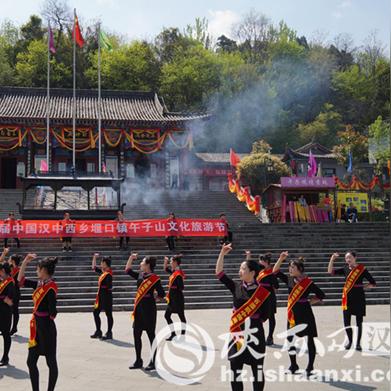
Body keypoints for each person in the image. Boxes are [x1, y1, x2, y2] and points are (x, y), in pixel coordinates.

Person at [216, 243, 271, 391]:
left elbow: (266, 315)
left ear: (253, 272)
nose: (240, 271)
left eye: (243, 269)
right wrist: (222, 254)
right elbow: (220, 273)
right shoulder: (236, 287)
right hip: (237, 335)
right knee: (235, 371)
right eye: (240, 268)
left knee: (257, 371)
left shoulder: (263, 292)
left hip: (255, 334)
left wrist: (251, 320)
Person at [273, 252, 325, 377]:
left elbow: (321, 295)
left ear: (300, 269)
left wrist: (309, 301)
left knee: (309, 340)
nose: (290, 269)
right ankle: (293, 365)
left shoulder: (308, 282)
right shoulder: (290, 280)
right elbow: (275, 271)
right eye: (289, 267)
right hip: (292, 314)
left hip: (305, 313)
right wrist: (281, 259)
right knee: (290, 340)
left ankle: (310, 366)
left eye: (293, 267)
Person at [18, 253, 59, 391]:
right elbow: (20, 280)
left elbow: (53, 312)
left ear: (44, 270)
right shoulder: (39, 284)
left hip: (46, 328)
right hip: (36, 328)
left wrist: (46, 314)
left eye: (37, 268)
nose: (36, 271)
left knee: (51, 362)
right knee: (31, 362)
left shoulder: (51, 288)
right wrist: (25, 262)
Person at [328, 251, 376, 350]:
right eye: (346, 258)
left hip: (359, 298)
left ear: (355, 258)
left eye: (350, 257)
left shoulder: (362, 269)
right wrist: (332, 259)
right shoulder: (345, 269)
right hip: (347, 298)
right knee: (346, 322)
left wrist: (362, 287)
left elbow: (373, 283)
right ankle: (350, 342)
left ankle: (358, 343)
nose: (348, 260)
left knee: (359, 321)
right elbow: (330, 271)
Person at [125, 253, 165, 371]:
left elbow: (162, 294)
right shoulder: (140, 275)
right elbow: (127, 270)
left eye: (142, 262)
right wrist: (130, 258)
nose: (141, 264)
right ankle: (138, 360)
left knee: (151, 335)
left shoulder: (155, 279)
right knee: (136, 335)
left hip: (149, 310)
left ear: (147, 265)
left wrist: (154, 296)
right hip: (139, 310)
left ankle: (153, 362)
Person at [246, 250, 279, 346]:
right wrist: (248, 256)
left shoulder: (271, 273)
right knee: (256, 316)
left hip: (269, 297)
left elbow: (276, 286)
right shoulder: (260, 271)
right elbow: (249, 267)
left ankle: (270, 337)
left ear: (267, 262)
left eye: (261, 260)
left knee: (271, 317)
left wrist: (268, 286)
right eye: (259, 260)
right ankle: (256, 336)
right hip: (259, 296)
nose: (260, 262)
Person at [90, 253, 114, 340]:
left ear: (105, 263)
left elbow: (110, 287)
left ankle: (109, 332)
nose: (100, 264)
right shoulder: (104, 272)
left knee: (109, 314)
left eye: (102, 262)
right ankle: (98, 331)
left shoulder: (108, 274)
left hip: (106, 297)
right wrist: (94, 257)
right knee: (95, 313)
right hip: (100, 297)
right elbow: (94, 268)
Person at [163, 254, 186, 341]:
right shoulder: (174, 272)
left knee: (181, 317)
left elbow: (181, 287)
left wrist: (172, 286)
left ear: (176, 263)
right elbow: (165, 269)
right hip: (172, 299)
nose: (170, 263)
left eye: (171, 261)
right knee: (167, 316)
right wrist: (165, 262)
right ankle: (173, 334)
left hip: (178, 299)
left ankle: (182, 336)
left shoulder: (178, 274)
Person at [0, 248, 21, 335]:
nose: (8, 260)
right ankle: (5, 327)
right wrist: (4, 253)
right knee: (7, 310)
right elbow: (1, 262)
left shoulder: (18, 270)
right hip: (9, 290)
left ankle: (14, 328)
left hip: (15, 291)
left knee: (14, 310)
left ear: (12, 261)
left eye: (9, 259)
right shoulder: (9, 268)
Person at [0, 262, 14, 366]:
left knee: (6, 335)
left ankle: (5, 357)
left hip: (5, 313)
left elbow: (10, 300)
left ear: (3, 271)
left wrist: (3, 298)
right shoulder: (2, 281)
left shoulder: (10, 282)